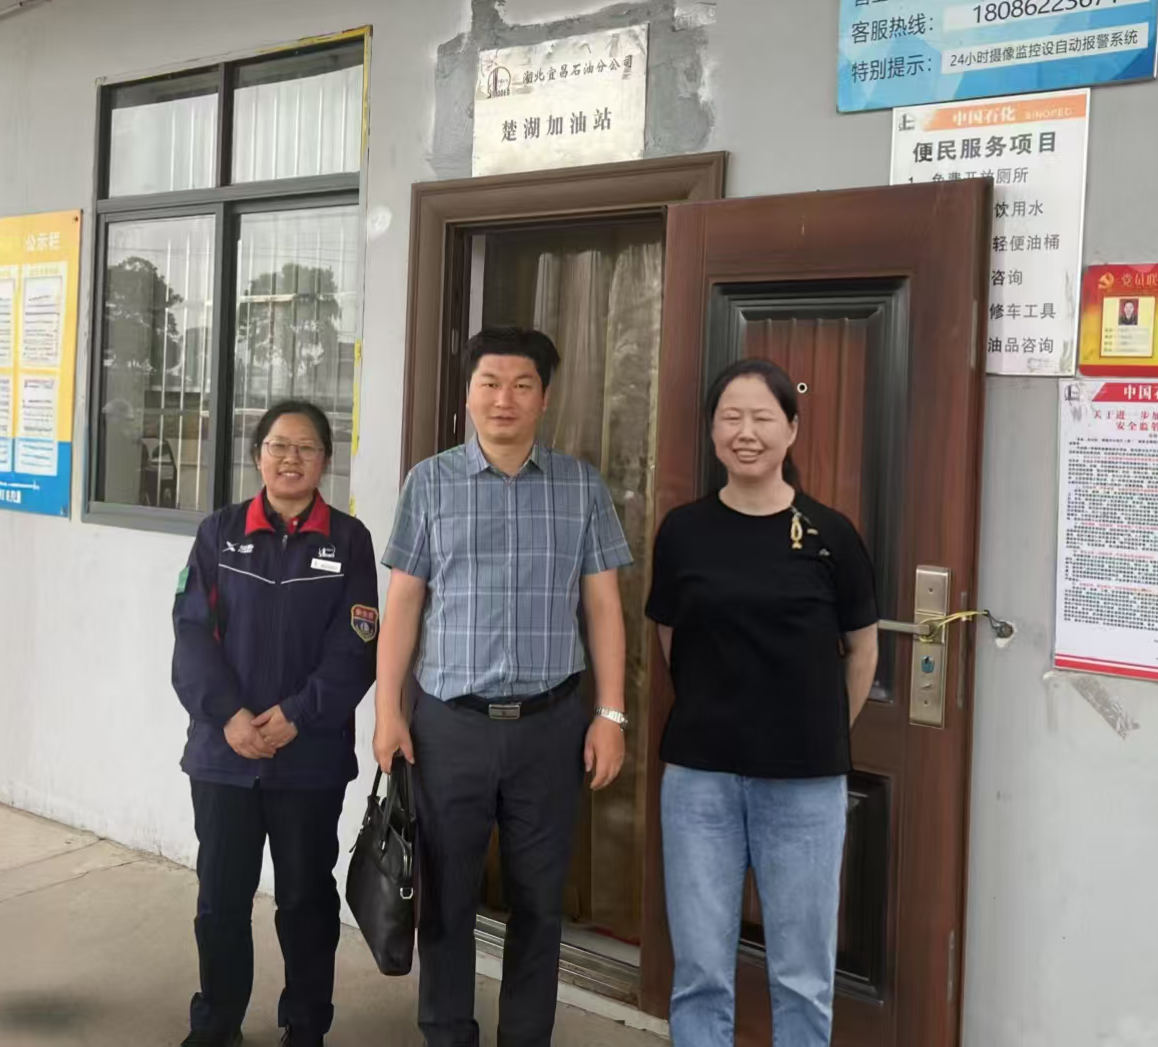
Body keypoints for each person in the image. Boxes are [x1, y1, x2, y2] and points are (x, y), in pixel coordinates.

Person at [374, 326, 633, 1047]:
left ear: (545, 398)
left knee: (539, 905)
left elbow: (604, 607)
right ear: (468, 394)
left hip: (551, 728)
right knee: (446, 902)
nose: (504, 399)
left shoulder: (580, 487)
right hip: (448, 727)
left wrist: (611, 714)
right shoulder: (430, 482)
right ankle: (446, 1033)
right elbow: (403, 603)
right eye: (489, 383)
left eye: (522, 385)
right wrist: (388, 711)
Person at [647, 359, 879, 1047]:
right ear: (712, 430)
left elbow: (862, 651)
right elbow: (671, 639)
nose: (745, 432)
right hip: (700, 779)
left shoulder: (831, 535)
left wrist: (818, 729)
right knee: (699, 972)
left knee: (803, 975)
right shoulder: (683, 531)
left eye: (762, 418)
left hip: (805, 783)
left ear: (792, 429)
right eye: (731, 417)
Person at [170, 399, 378, 1047]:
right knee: (220, 902)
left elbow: (356, 647)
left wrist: (297, 714)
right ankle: (216, 1025)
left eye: (306, 447)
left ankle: (306, 1028)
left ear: (325, 461)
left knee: (307, 903)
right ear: (258, 455)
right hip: (224, 757)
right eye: (278, 446)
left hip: (308, 761)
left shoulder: (349, 541)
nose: (291, 458)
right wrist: (230, 717)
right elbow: (191, 635)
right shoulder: (219, 533)